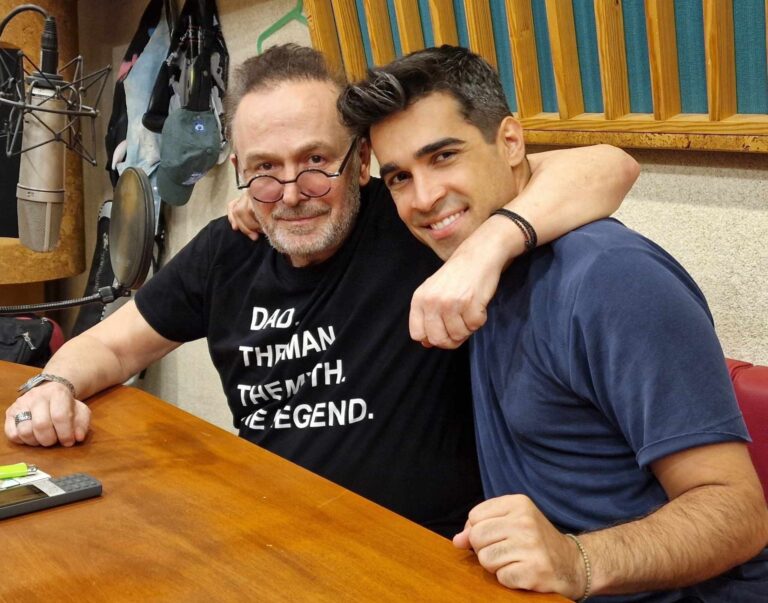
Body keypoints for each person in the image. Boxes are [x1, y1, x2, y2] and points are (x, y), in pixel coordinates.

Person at [4, 45, 638, 538]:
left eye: (315, 160)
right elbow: (112, 347)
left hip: (419, 551)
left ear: (359, 161)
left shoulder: (415, 220)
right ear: (239, 170)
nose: (291, 192)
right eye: (265, 168)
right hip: (272, 533)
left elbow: (609, 164)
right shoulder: (230, 249)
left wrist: (486, 249)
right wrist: (53, 384)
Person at [338, 45, 768, 601]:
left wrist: (577, 560)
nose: (424, 198)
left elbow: (737, 512)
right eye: (399, 177)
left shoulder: (610, 277)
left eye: (444, 156)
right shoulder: (461, 263)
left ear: (511, 142)